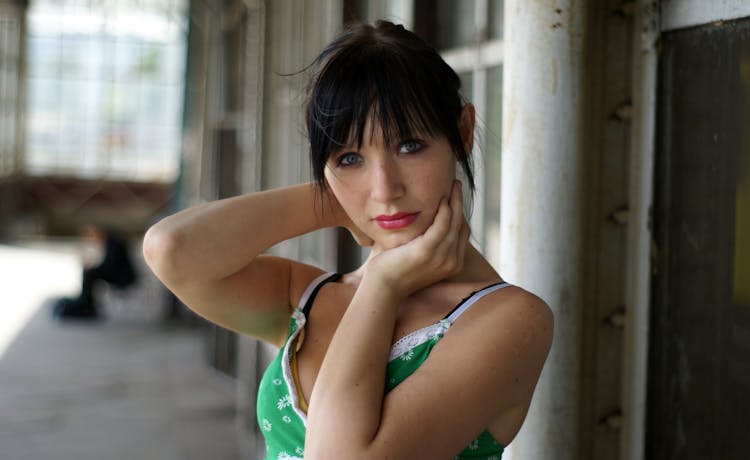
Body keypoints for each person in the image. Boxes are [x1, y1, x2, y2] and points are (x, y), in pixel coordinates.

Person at [143, 20, 553, 460]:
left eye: (410, 146)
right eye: (350, 157)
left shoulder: (510, 320)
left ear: (463, 134)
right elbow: (173, 249)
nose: (384, 188)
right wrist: (335, 200)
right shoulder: (308, 298)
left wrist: (384, 282)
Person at [54, 225, 137, 319]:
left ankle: (86, 304)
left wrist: (93, 268)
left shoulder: (114, 241)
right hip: (117, 274)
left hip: (123, 278)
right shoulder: (110, 240)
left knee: (90, 274)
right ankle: (85, 301)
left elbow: (109, 266)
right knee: (89, 272)